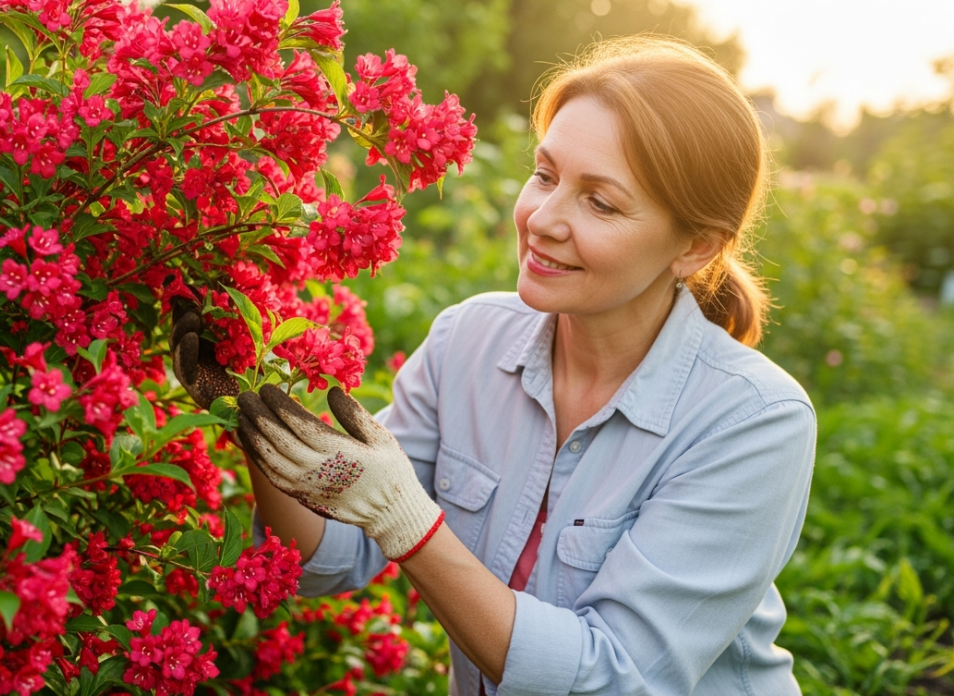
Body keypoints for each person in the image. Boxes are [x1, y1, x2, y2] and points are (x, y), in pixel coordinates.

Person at [173, 36, 815, 696]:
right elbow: (327, 560)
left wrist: (408, 523)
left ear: (694, 245)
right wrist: (246, 412)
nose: (543, 219)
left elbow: (614, 679)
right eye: (545, 175)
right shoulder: (470, 340)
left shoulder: (754, 421)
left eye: (599, 202)